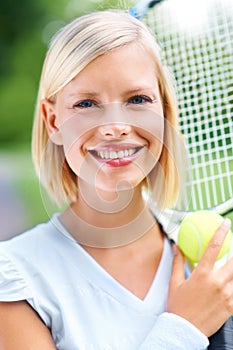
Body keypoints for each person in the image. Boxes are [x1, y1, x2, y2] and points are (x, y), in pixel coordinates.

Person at [0, 10, 232, 350]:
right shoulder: (16, 276)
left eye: (137, 100)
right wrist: (184, 329)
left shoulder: (214, 272)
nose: (115, 126)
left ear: (164, 112)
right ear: (53, 121)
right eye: (87, 104)